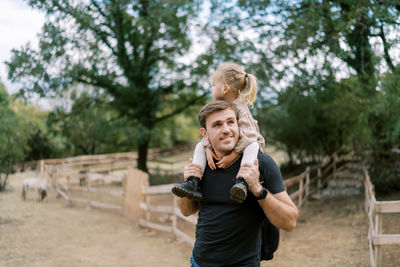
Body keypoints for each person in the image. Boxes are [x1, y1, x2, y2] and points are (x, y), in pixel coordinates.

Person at [178, 100, 298, 266]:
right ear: (205, 134)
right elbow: (186, 211)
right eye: (218, 125)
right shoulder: (202, 164)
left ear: (238, 125)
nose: (226, 130)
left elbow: (290, 222)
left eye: (230, 122)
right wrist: (188, 181)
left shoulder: (261, 163)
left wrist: (257, 189)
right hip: (199, 262)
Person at [172, 62, 264, 203]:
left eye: (213, 85)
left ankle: (242, 182)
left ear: (225, 88)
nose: (211, 88)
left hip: (247, 147)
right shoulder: (220, 107)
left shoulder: (241, 108)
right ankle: (193, 182)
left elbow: (251, 137)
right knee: (199, 146)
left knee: (253, 146)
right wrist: (208, 147)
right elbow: (211, 132)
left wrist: (233, 155)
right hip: (231, 145)